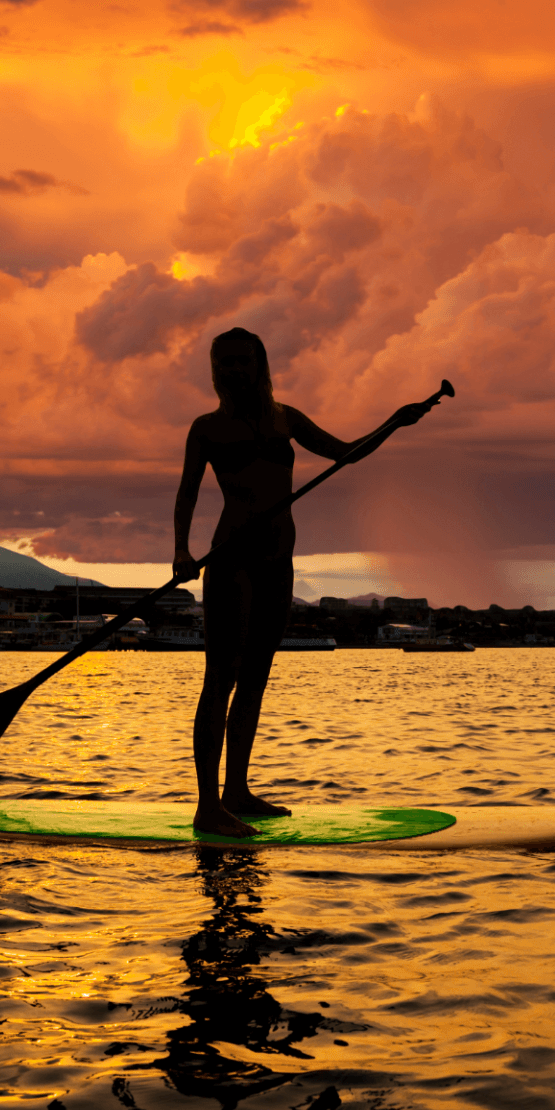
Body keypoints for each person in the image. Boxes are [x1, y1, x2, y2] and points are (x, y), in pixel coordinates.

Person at [173, 328, 434, 837]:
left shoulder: (285, 418)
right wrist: (181, 551)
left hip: (278, 562)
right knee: (220, 680)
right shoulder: (206, 428)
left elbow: (346, 453)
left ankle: (237, 793)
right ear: (214, 370)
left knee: (255, 679)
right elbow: (186, 494)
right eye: (223, 363)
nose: (233, 371)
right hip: (233, 561)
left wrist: (394, 423)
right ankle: (207, 805)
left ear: (260, 365)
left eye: (242, 362)